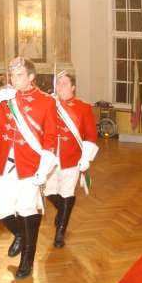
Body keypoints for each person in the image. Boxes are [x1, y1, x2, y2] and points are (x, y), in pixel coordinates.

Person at [0, 57, 57, 279]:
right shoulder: (5, 97)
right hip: (5, 164)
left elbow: (51, 137)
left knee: (27, 209)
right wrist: (2, 93)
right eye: (11, 75)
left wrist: (44, 168)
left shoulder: (46, 101)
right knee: (2, 210)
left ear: (31, 77)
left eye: (18, 75)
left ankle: (27, 259)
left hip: (30, 166)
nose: (13, 79)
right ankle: (19, 234)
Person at [44, 71, 99, 248]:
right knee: (49, 192)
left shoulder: (84, 107)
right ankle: (64, 210)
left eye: (65, 83)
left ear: (73, 87)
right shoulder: (49, 104)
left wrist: (86, 158)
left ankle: (60, 231)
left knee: (67, 192)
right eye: (58, 83)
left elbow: (91, 135)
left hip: (72, 157)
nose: (60, 86)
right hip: (51, 157)